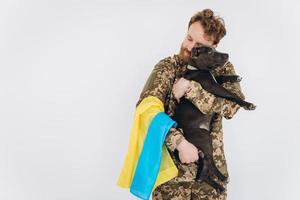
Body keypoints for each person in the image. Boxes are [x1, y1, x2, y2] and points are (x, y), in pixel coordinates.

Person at [135, 8, 245, 200]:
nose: (189, 47)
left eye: (199, 44)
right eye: (189, 38)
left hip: (211, 180)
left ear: (214, 45)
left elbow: (232, 107)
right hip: (172, 181)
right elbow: (147, 112)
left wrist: (192, 90)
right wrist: (179, 143)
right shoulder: (167, 68)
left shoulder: (222, 68)